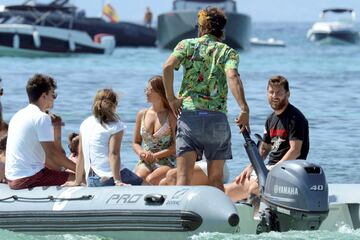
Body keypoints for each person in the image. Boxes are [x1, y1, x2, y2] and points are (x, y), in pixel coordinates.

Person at [162, 7, 250, 191]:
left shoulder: (186, 45)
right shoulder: (228, 52)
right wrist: (244, 109)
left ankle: (182, 216)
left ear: (201, 27)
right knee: (216, 179)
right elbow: (232, 76)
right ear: (222, 30)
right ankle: (217, 218)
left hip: (189, 117)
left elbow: (167, 67)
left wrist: (171, 99)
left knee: (183, 178)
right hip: (216, 119)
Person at [225, 75, 309, 202]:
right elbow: (264, 150)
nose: (274, 96)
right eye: (271, 92)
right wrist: (252, 166)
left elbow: (295, 151)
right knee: (227, 192)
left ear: (288, 94)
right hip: (270, 169)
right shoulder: (270, 120)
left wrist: (273, 172)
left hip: (289, 171)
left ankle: (259, 219)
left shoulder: (295, 118)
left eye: (279, 92)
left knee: (254, 188)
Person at [5, 74, 76, 190]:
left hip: (12, 178)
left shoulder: (17, 116)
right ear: (44, 95)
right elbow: (52, 155)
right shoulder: (41, 117)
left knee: (67, 173)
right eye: (53, 94)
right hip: (29, 178)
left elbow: (46, 158)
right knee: (81, 179)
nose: (54, 98)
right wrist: (81, 170)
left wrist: (64, 169)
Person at [67, 89, 143, 187]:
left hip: (92, 180)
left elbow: (81, 154)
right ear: (114, 105)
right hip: (110, 177)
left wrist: (77, 181)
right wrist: (118, 181)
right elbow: (114, 154)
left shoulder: (86, 123)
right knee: (146, 185)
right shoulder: (116, 126)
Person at [133, 75, 176, 185]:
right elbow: (136, 143)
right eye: (146, 89)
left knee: (151, 179)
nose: (147, 93)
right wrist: (142, 153)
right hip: (145, 160)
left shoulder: (171, 115)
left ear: (161, 92)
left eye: (150, 90)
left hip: (167, 161)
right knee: (138, 178)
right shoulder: (142, 114)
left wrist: (154, 156)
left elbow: (176, 146)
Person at [159, 160, 230, 186]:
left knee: (172, 175)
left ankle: (178, 210)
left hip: (216, 167)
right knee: (163, 183)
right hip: (202, 164)